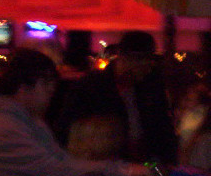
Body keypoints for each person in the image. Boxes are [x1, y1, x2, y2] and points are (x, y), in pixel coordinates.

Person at [0, 49, 148, 176]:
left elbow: (63, 164)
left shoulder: (26, 121)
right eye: (46, 84)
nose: (52, 91)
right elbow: (56, 173)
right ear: (24, 87)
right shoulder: (2, 127)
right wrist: (124, 171)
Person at [54, 30, 178, 164]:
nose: (147, 70)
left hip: (141, 161)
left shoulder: (150, 85)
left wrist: (166, 161)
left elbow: (163, 126)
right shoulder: (92, 86)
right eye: (144, 65)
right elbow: (68, 127)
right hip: (104, 161)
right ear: (127, 59)